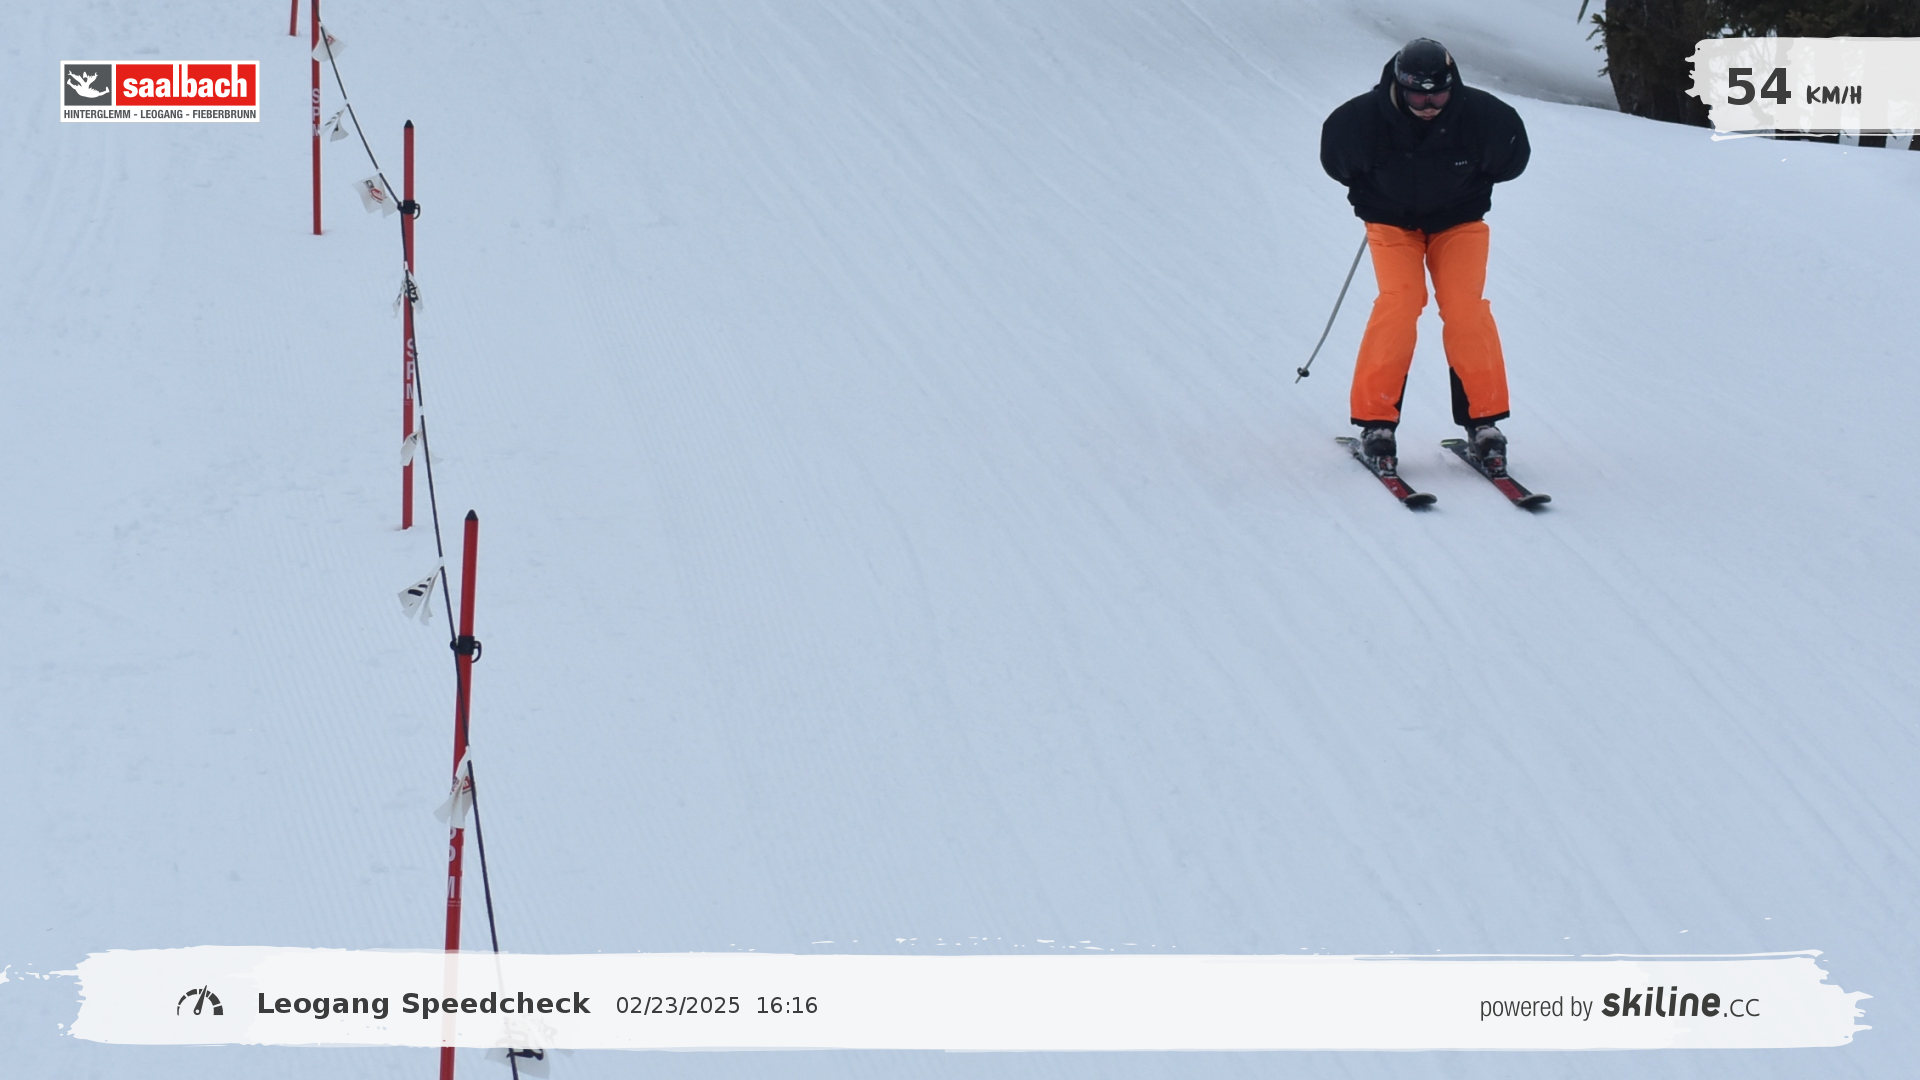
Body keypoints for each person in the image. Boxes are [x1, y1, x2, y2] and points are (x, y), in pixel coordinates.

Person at [1320, 38, 1530, 471]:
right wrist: (1375, 197)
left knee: (1466, 307)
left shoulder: (1484, 118)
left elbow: (1510, 160)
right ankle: (1377, 424)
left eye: (1438, 95)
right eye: (1418, 96)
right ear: (1400, 87)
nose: (1429, 105)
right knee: (1400, 302)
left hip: (1458, 223)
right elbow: (1339, 164)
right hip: (1392, 224)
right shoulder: (1360, 121)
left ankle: (1484, 423)